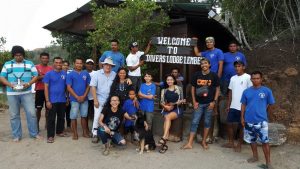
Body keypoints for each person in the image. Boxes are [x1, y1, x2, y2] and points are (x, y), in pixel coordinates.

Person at [0, 45, 42, 142]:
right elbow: (2, 77)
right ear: (13, 55)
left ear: (23, 55)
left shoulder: (29, 63)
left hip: (26, 92)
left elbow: (36, 75)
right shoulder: (7, 64)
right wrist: (10, 85)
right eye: (16, 55)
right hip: (12, 93)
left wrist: (29, 84)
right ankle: (16, 135)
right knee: (14, 115)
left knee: (31, 113)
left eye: (20, 55)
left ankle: (34, 133)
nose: (18, 57)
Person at [182, 58, 220, 150]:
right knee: (195, 122)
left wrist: (214, 102)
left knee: (207, 122)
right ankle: (190, 143)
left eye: (205, 63)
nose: (204, 65)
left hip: (209, 103)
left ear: (209, 65)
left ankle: (204, 141)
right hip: (199, 103)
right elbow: (192, 88)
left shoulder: (214, 75)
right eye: (202, 64)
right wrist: (194, 101)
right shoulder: (196, 75)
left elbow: (217, 89)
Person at [241, 71, 275, 169]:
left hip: (261, 121)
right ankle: (255, 156)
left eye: (257, 78)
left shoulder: (267, 91)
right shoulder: (246, 91)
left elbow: (271, 103)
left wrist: (265, 113)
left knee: (265, 141)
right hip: (248, 120)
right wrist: (242, 117)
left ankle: (268, 162)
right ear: (251, 79)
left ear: (261, 79)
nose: (255, 80)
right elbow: (243, 104)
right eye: (253, 78)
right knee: (252, 140)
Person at [222, 60, 252, 151]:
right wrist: (228, 105)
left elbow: (251, 92)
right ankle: (231, 142)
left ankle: (239, 144)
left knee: (241, 126)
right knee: (229, 123)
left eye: (239, 66)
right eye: (236, 66)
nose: (237, 68)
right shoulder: (233, 78)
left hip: (243, 106)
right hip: (233, 106)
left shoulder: (248, 77)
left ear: (243, 67)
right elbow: (230, 92)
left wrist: (248, 106)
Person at [90, 57, 116, 143]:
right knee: (97, 116)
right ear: (103, 65)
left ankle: (105, 134)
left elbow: (122, 80)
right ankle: (95, 133)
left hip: (110, 101)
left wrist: (128, 79)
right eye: (106, 64)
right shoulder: (96, 74)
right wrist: (95, 100)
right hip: (99, 99)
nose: (108, 66)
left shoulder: (114, 74)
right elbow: (93, 87)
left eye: (110, 65)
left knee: (108, 118)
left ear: (112, 66)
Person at [158, 74, 185, 153]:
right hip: (167, 109)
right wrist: (166, 107)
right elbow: (161, 102)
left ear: (174, 80)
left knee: (167, 117)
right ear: (166, 81)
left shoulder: (179, 89)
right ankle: (164, 141)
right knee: (167, 118)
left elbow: (182, 100)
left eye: (171, 79)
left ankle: (164, 138)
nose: (169, 81)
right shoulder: (164, 90)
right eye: (168, 80)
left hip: (177, 109)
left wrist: (175, 104)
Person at [43, 57, 68, 143]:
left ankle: (59, 131)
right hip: (52, 100)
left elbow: (66, 87)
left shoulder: (65, 74)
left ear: (62, 64)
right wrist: (47, 100)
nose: (58, 64)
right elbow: (46, 87)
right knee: (51, 119)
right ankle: (50, 136)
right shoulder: (48, 74)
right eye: (56, 62)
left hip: (62, 99)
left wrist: (67, 98)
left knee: (61, 117)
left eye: (60, 62)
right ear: (53, 63)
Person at [66, 58, 91, 140]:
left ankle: (84, 132)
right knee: (73, 116)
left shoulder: (86, 73)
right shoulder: (70, 74)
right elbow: (69, 87)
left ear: (82, 64)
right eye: (77, 63)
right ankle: (75, 133)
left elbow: (88, 86)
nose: (79, 65)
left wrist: (84, 96)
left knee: (84, 116)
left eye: (80, 63)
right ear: (74, 63)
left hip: (84, 99)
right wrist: (76, 96)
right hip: (74, 99)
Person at [35, 52, 53, 131]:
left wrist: (41, 76)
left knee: (48, 108)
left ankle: (47, 124)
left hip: (49, 91)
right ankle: (36, 125)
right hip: (39, 90)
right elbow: (34, 78)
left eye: (46, 58)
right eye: (43, 58)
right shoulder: (36, 67)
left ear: (48, 59)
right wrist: (44, 76)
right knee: (38, 109)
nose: (45, 60)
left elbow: (52, 79)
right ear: (40, 58)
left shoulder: (51, 68)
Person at [85, 59, 96, 124]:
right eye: (88, 64)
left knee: (94, 114)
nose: (89, 65)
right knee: (86, 114)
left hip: (94, 97)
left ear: (93, 65)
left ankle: (94, 129)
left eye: (91, 64)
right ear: (85, 64)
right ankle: (86, 129)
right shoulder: (83, 72)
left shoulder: (96, 73)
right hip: (85, 97)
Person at [62, 60, 72, 131]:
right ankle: (62, 127)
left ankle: (68, 126)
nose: (65, 66)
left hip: (67, 96)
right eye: (64, 65)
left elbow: (68, 88)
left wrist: (68, 98)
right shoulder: (59, 73)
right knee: (62, 113)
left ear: (68, 66)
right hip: (60, 97)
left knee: (68, 112)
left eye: (66, 65)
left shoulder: (69, 75)